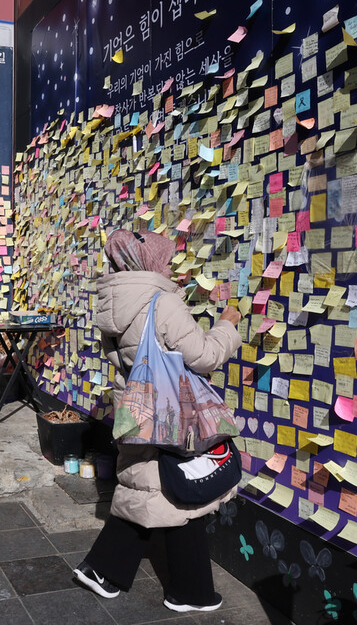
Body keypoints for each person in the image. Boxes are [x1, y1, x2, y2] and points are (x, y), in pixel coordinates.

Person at [73, 229, 242, 613]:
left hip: (137, 407)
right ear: (147, 261)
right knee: (183, 487)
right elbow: (204, 357)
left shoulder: (114, 302)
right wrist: (228, 324)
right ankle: (188, 591)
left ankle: (106, 570)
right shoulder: (161, 303)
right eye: (164, 258)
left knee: (154, 486)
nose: (168, 265)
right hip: (171, 411)